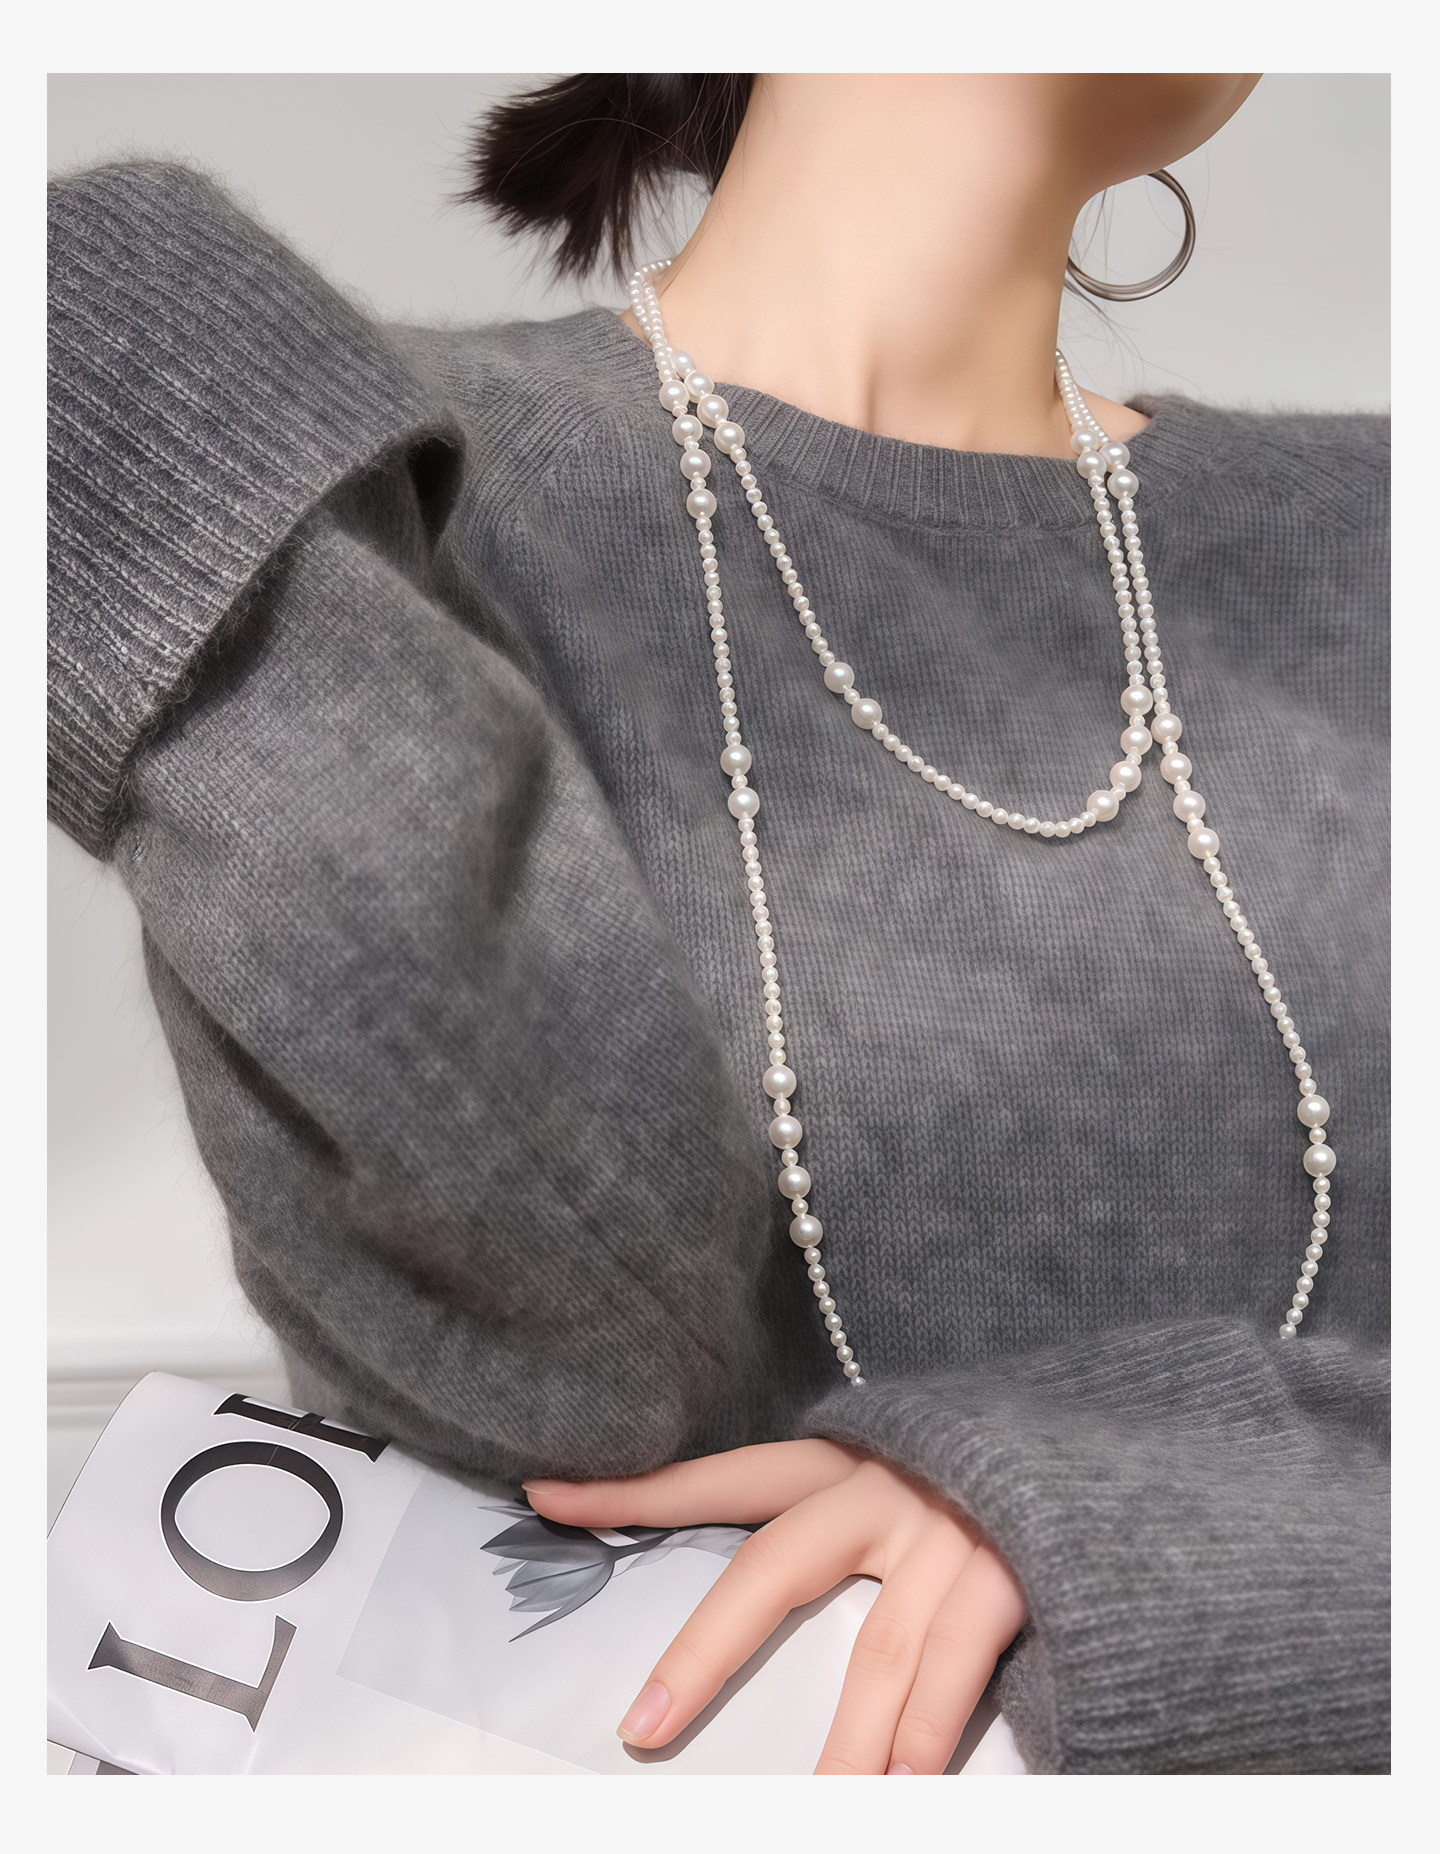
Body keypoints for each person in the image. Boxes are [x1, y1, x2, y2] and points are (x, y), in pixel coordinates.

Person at [47, 73, 1389, 1775]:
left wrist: (1168, 1526)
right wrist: (97, 358)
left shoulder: (1378, 545)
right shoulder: (373, 502)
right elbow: (576, 1387)